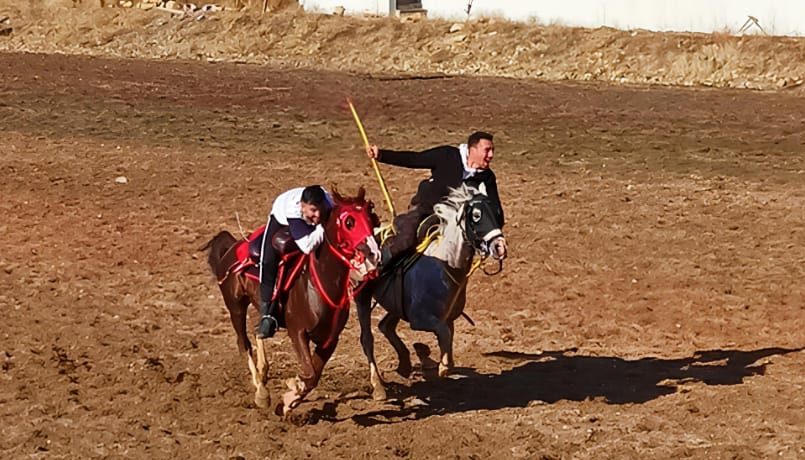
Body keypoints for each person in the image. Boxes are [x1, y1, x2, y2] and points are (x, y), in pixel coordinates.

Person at [366, 131, 504, 266]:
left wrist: (495, 237)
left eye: (493, 150)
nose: (491, 155)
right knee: (407, 239)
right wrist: (382, 155)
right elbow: (414, 159)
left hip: (455, 222)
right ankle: (378, 263)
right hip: (426, 209)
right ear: (472, 149)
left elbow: (494, 210)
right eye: (487, 150)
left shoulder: (487, 177)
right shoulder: (446, 156)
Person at [255, 185, 333, 339]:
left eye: (319, 209)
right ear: (302, 207)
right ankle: (266, 313)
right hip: (280, 216)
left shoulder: (329, 202)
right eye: (312, 210)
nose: (317, 215)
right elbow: (307, 246)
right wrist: (324, 227)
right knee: (267, 258)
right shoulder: (293, 210)